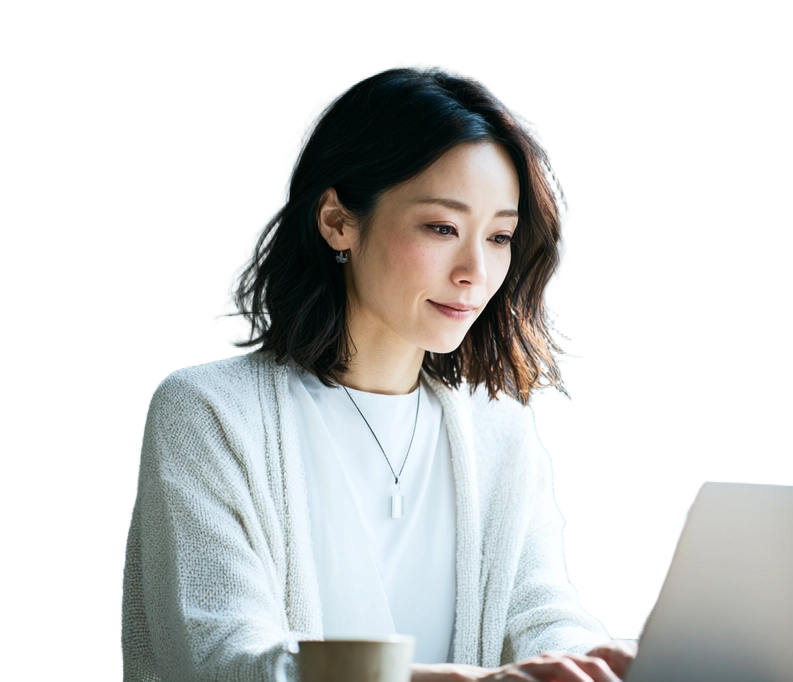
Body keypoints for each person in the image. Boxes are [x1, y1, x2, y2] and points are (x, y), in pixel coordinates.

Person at [120, 67, 637, 682]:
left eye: (500, 235)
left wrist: (595, 661)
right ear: (338, 221)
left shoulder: (502, 430)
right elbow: (222, 658)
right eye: (442, 227)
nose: (476, 269)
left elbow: (543, 613)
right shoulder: (206, 413)